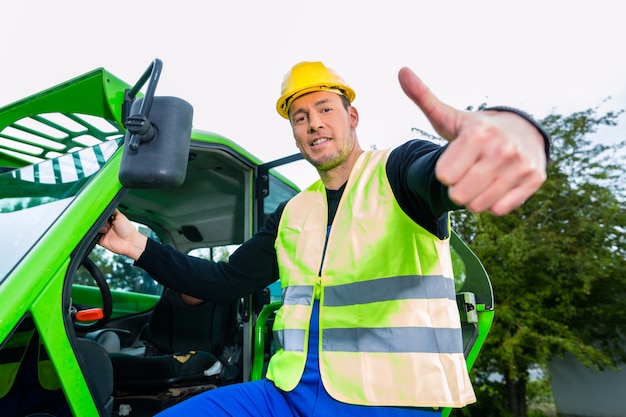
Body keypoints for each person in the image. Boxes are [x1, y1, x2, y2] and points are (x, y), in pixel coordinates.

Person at [99, 61, 549, 416]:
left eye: (325, 110)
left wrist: (512, 134)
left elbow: (439, 173)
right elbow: (225, 281)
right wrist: (138, 245)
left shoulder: (399, 171)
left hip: (391, 401)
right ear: (294, 133)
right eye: (300, 117)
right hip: (288, 395)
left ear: (352, 116)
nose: (313, 123)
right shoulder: (292, 212)